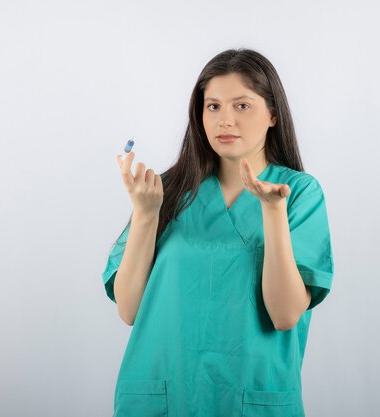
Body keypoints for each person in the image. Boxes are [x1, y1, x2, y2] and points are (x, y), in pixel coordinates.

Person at [101, 48, 334, 417]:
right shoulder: (166, 190)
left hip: (251, 398)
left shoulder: (299, 194)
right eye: (213, 106)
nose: (225, 120)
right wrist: (146, 215)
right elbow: (130, 310)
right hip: (164, 396)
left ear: (273, 113)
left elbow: (285, 314)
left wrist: (272, 211)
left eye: (241, 106)